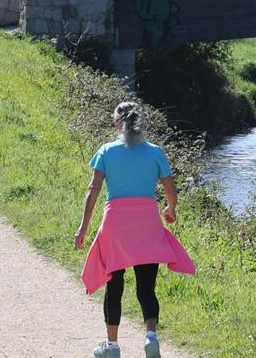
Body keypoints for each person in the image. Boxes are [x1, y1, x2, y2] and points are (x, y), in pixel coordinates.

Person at [75, 102, 195, 358]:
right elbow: (170, 190)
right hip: (147, 221)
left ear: (117, 124)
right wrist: (170, 209)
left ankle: (113, 346)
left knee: (114, 285)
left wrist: (83, 226)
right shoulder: (155, 152)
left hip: (115, 223)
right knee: (146, 287)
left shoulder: (106, 151)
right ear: (142, 124)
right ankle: (150, 336)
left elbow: (93, 190)